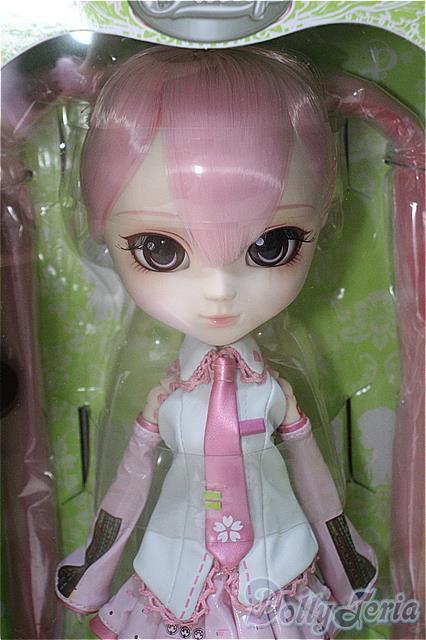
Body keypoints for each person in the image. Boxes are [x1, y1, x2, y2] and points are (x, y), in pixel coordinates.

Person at [55, 46, 377, 639]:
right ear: (103, 228)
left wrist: (346, 565)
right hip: (179, 564)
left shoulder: (274, 393)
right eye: (160, 250)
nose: (221, 290)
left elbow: (315, 481)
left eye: (272, 246)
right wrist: (92, 572)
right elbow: (128, 485)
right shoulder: (166, 400)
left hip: (273, 561)